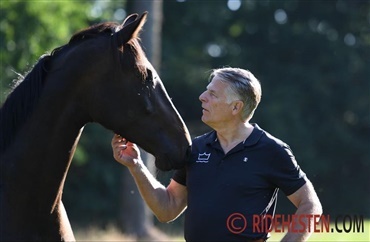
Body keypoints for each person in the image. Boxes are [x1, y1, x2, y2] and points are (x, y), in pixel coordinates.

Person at [111, 67, 322, 242]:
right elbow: (167, 208)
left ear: (236, 107)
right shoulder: (195, 148)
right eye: (206, 92)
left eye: (212, 94)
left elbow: (310, 206)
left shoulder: (272, 151)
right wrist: (136, 166)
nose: (202, 98)